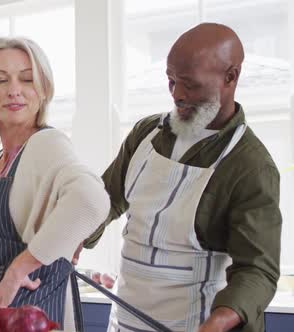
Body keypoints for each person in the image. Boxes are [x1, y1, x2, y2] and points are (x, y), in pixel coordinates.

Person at [81, 23, 282, 332]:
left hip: (194, 323)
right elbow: (103, 201)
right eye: (171, 80)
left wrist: (217, 324)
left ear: (231, 77)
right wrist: (69, 238)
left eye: (191, 85)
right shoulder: (145, 134)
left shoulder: (250, 166)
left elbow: (257, 270)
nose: (177, 94)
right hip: (124, 321)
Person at [0, 37, 110, 331]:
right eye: (1, 80)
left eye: (27, 79)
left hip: (33, 316)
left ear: (44, 91)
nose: (13, 90)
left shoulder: (45, 144)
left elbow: (92, 200)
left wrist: (18, 269)